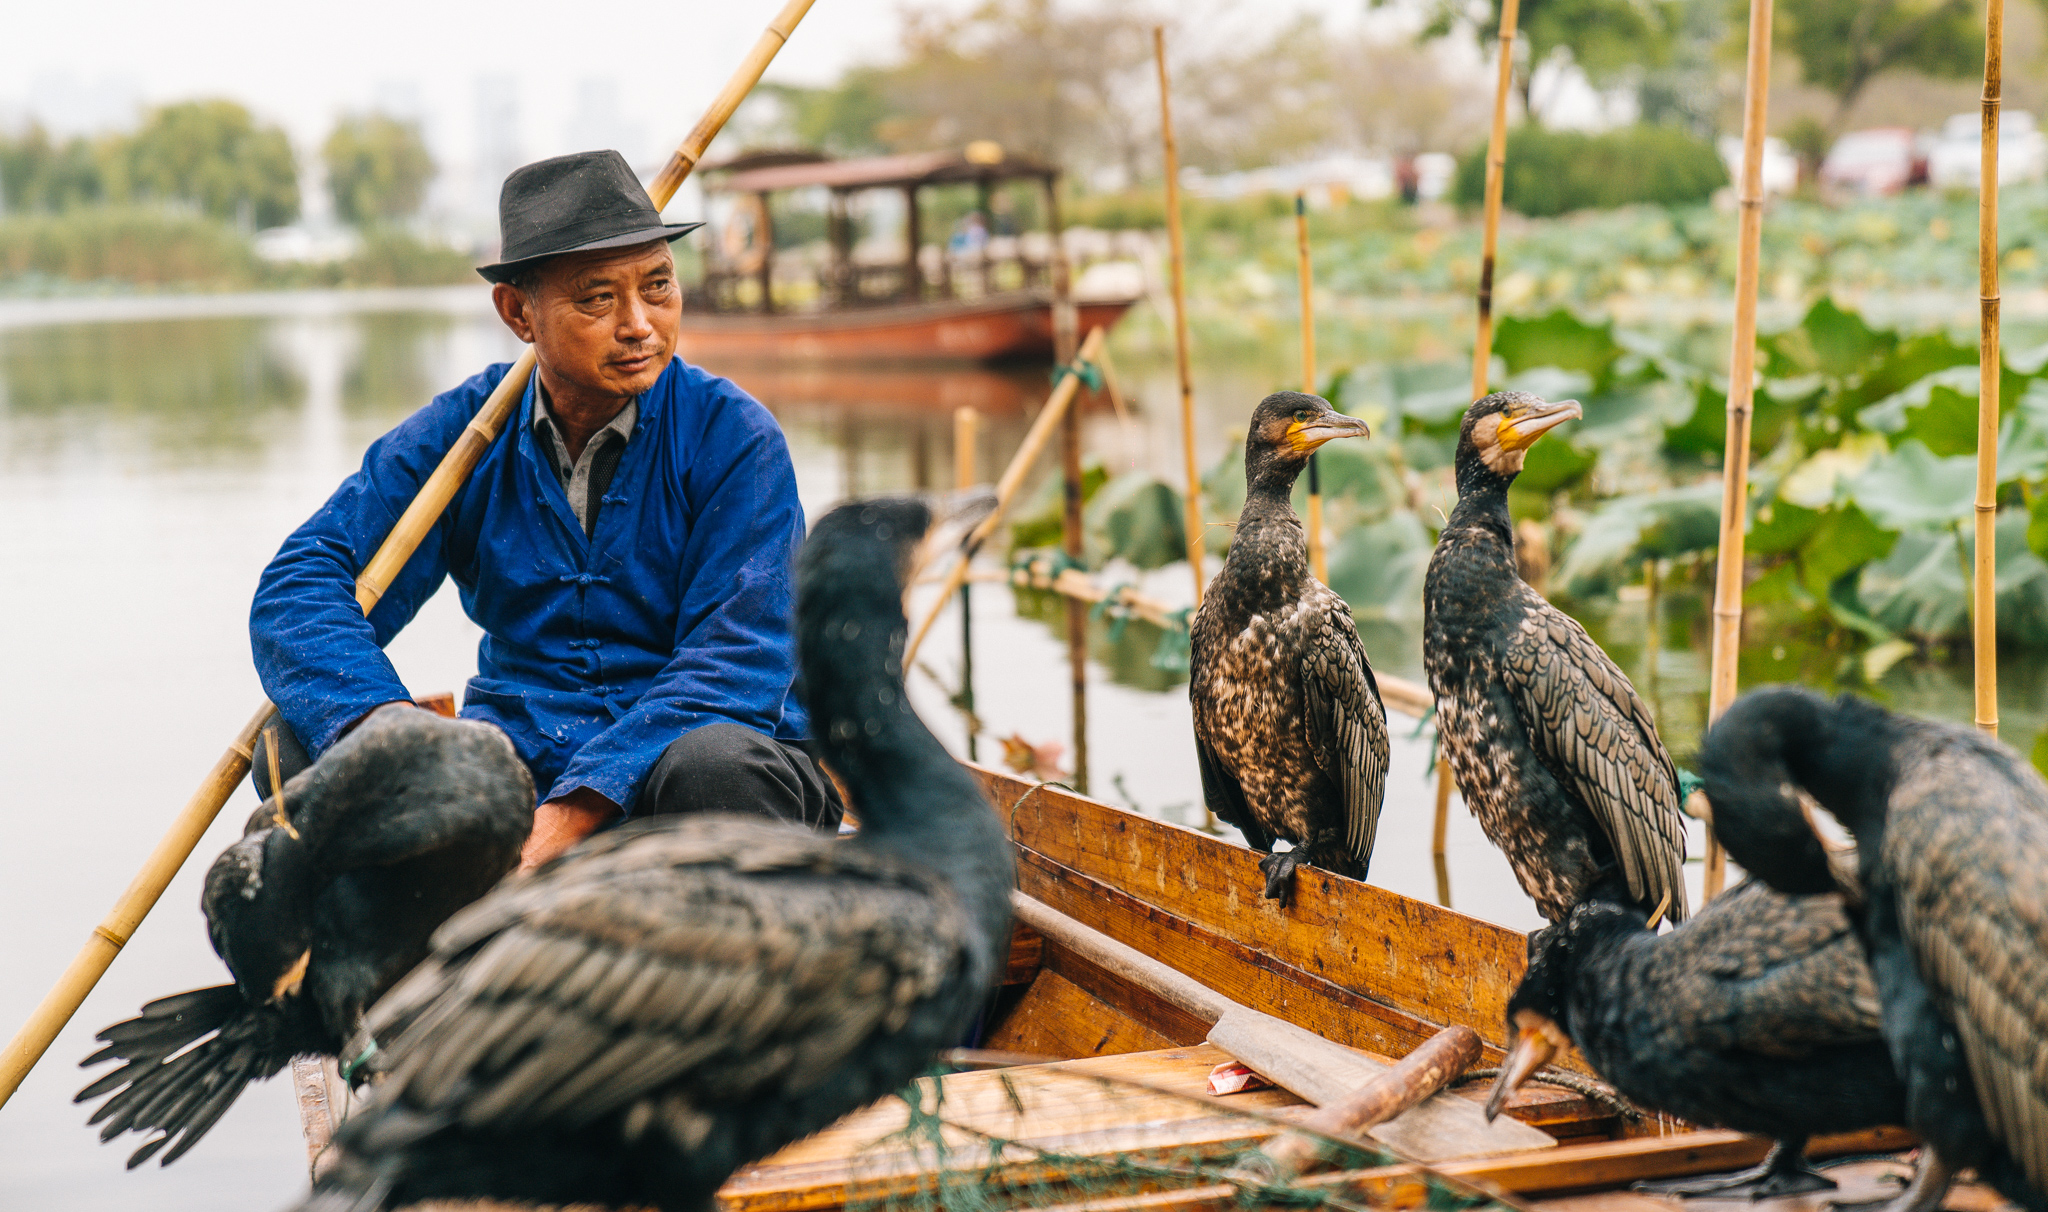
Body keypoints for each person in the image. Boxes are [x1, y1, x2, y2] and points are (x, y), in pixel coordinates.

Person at [249, 150, 840, 872]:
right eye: (597, 300)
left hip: (688, 771)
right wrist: (383, 726)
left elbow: (739, 663)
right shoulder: (465, 434)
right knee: (297, 739)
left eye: (659, 287)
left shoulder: (733, 436)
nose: (640, 325)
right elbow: (302, 583)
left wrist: (565, 822)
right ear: (518, 313)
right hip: (524, 763)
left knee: (715, 765)